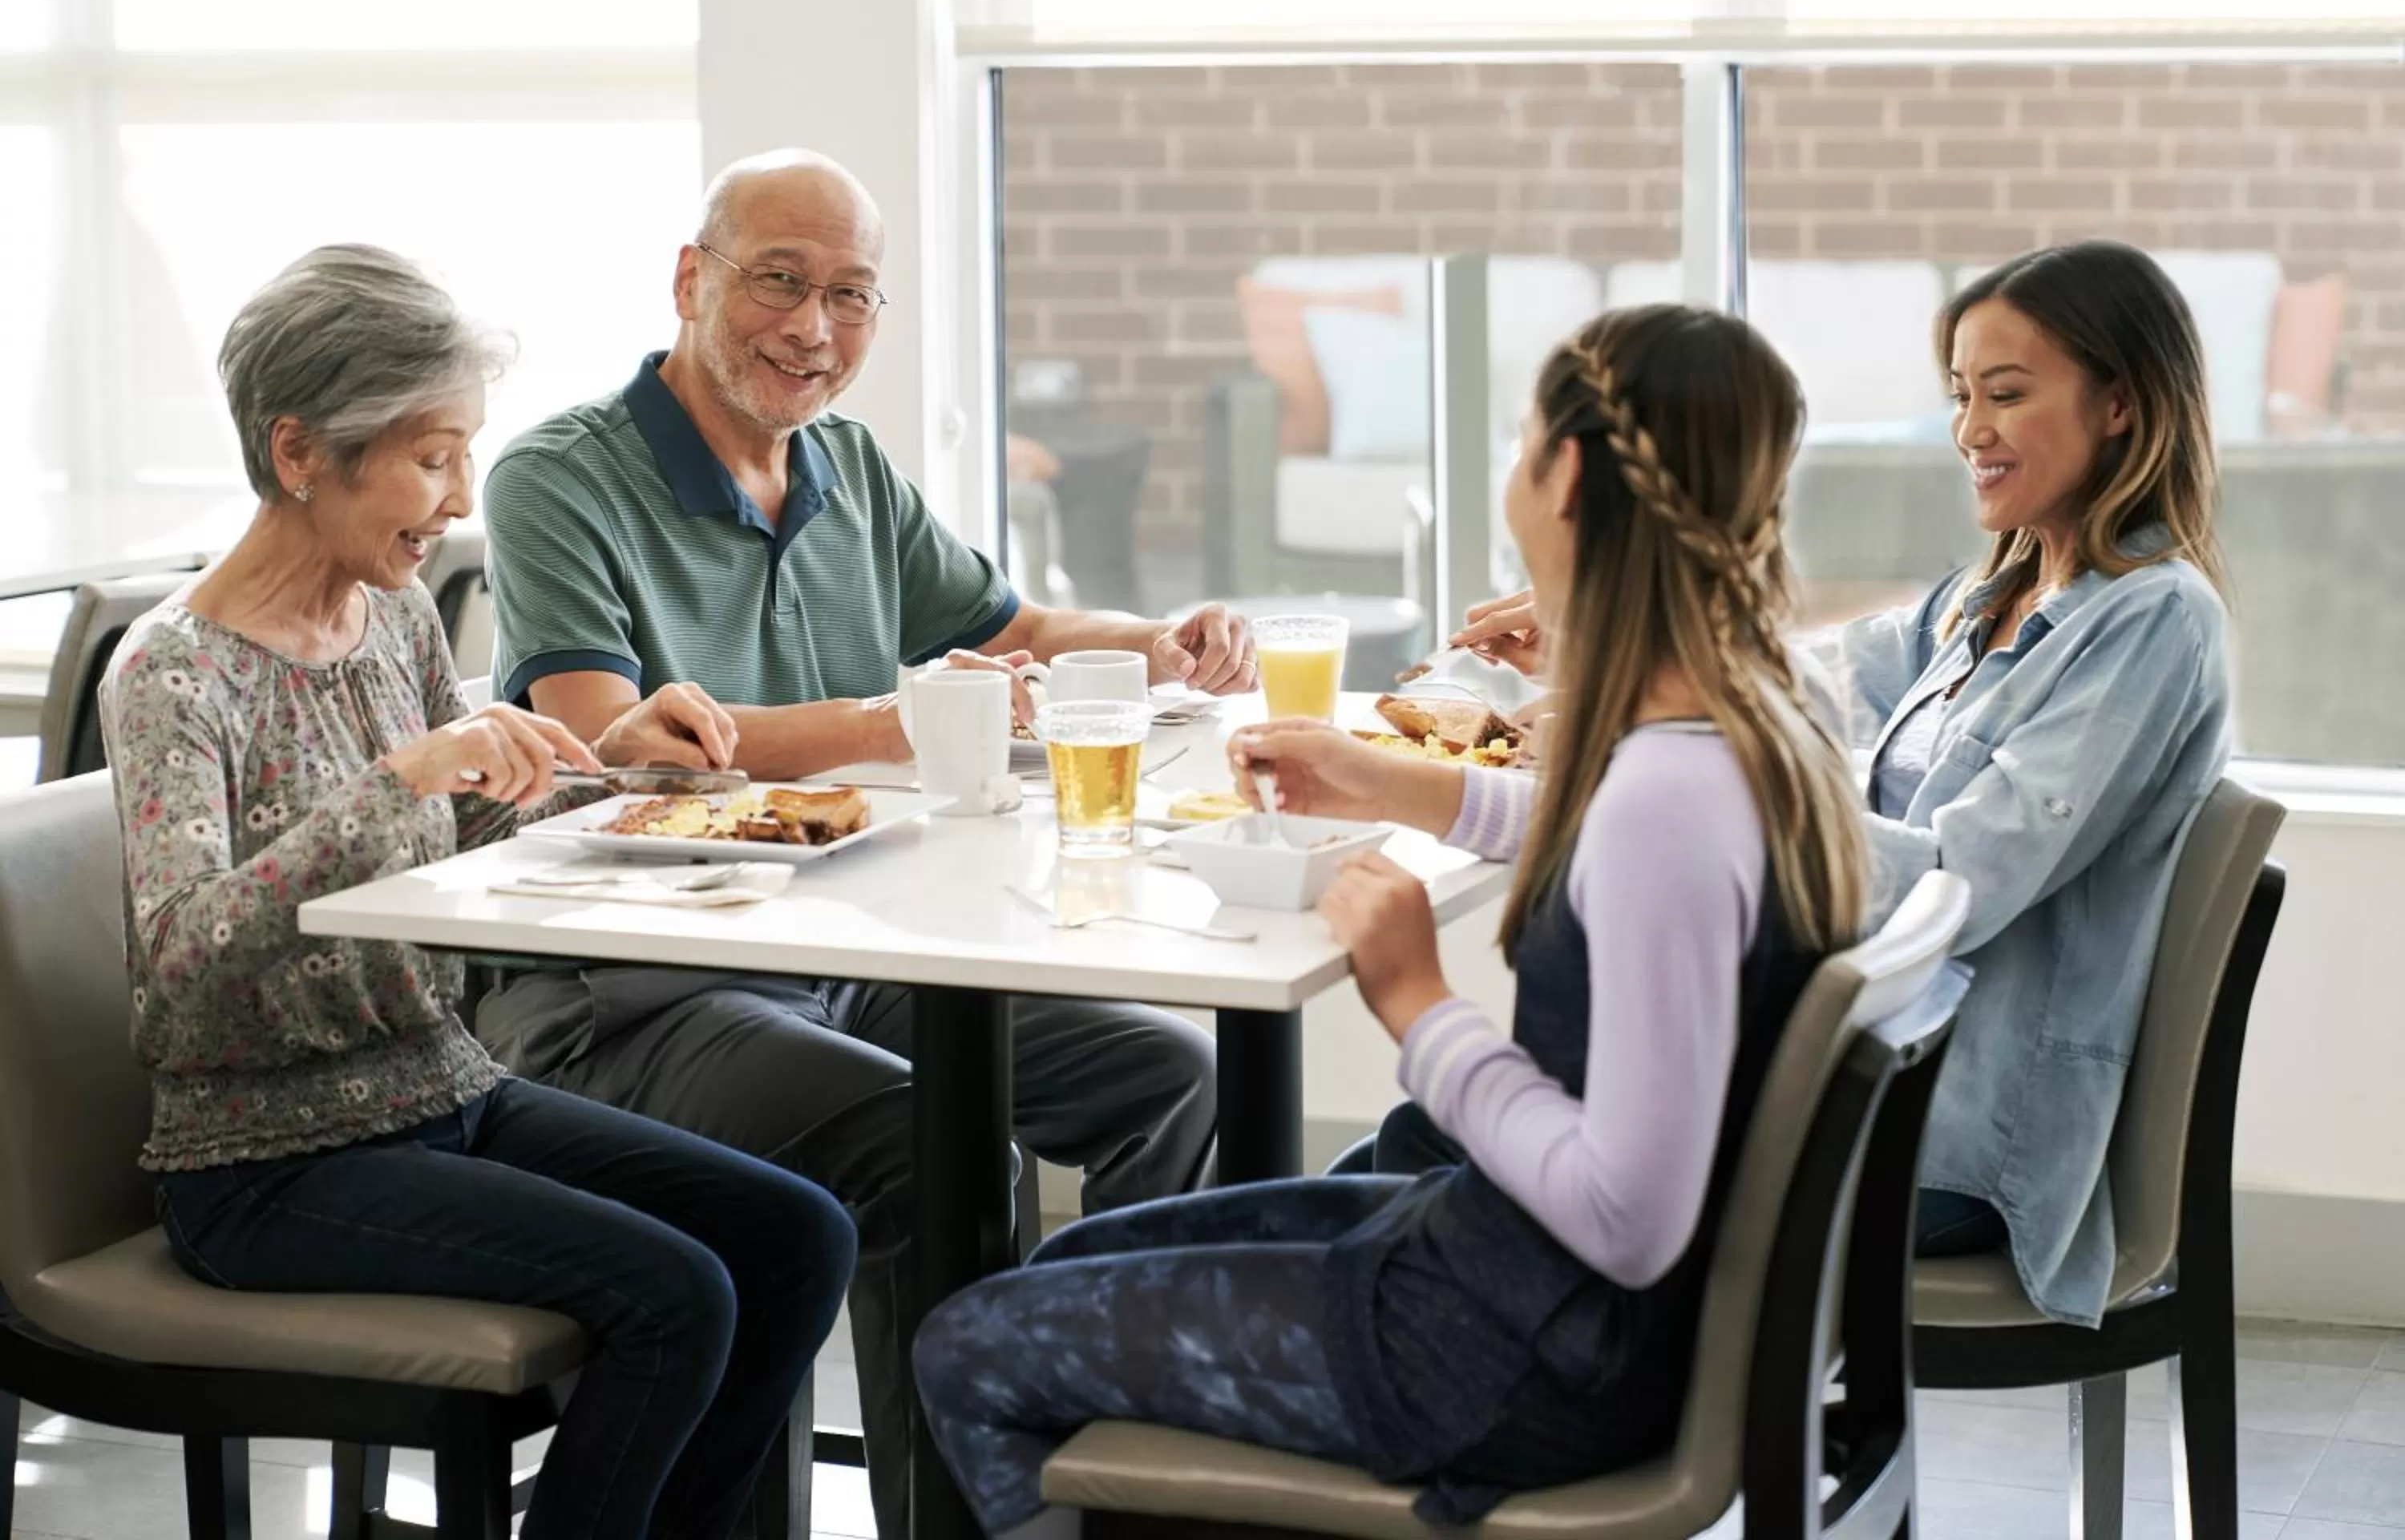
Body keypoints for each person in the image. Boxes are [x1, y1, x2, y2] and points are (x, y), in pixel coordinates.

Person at [911, 302, 1873, 1533]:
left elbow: (1626, 1218)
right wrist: (1387, 780)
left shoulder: (1665, 799)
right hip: (1558, 1301)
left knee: (972, 1347)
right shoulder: (1765, 723)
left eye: (1525, 442)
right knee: (1062, 1271)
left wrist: (1419, 1005)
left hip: (1525, 1352)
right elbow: (1612, 845)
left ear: (1566, 475)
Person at [473, 148, 1244, 1537]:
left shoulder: (845, 464)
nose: (814, 329)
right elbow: (605, 738)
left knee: (1173, 1076)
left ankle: (1114, 1489)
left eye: (852, 295)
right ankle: (957, 1520)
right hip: (629, 993)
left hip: (837, 946)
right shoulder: (556, 478)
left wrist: (1152, 636)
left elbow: (1005, 632)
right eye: (780, 281)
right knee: (928, 1149)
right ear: (691, 279)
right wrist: (885, 718)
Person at [101, 245, 858, 1540]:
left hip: (443, 1090)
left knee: (798, 1235)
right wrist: (398, 786)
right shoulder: (173, 669)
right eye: (432, 456)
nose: (459, 499)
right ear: (300, 453)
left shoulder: (391, 622)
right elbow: (180, 962)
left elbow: (479, 809)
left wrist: (631, 775)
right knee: (681, 1297)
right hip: (263, 1162)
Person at [1351, 238, 2233, 1326]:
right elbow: (1793, 681)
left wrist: (1671, 722)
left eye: (2007, 393)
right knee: (1428, 1148)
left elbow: (1961, 878)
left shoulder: (2154, 622)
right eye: (1962, 395)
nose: (1971, 430)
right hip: (1873, 1079)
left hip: (1951, 1140)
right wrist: (1610, 634)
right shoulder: (1982, 598)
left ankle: (1464, 1430)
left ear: (2123, 407)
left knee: (1435, 1145)